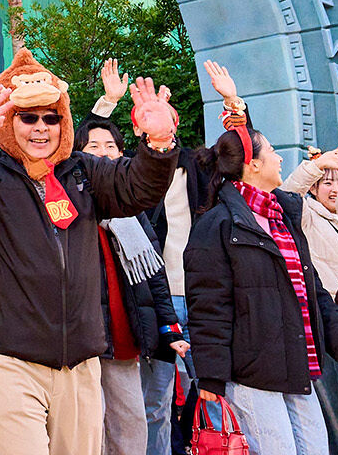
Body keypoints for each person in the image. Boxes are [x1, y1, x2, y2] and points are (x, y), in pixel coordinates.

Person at [0, 47, 181, 455]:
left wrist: (159, 142)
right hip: (6, 356)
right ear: (9, 122)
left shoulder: (83, 172)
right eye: (28, 117)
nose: (41, 128)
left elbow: (137, 188)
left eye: (51, 117)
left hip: (79, 359)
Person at [186, 123, 338, 455]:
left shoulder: (283, 219)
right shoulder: (216, 225)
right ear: (253, 163)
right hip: (251, 374)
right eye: (272, 151)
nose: (279, 159)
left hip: (297, 366)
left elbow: (315, 297)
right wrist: (212, 376)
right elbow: (208, 307)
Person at [85, 60, 245, 455]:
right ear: (138, 130)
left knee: (197, 393)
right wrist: (107, 102)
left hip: (194, 296)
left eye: (167, 118)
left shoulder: (195, 167)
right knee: (146, 403)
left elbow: (239, 154)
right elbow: (76, 151)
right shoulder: (120, 187)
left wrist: (232, 101)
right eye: (150, 117)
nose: (161, 125)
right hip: (148, 305)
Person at [73, 119, 190, 455]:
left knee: (132, 428)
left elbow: (155, 274)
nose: (104, 153)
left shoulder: (132, 210)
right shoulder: (72, 204)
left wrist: (169, 328)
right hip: (84, 343)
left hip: (124, 341)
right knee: (88, 430)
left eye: (111, 146)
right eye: (93, 146)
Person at [277, 147, 338, 455]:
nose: (335, 189)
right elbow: (285, 194)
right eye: (327, 182)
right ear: (316, 189)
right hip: (331, 322)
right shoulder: (306, 216)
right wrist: (316, 166)